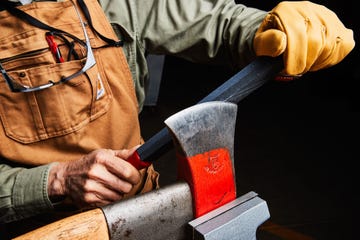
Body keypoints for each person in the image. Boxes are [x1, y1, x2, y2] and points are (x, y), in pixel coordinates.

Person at [0, 0, 355, 238]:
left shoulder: (108, 4)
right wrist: (55, 181)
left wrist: (268, 30)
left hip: (145, 215)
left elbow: (209, 20)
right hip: (46, 230)